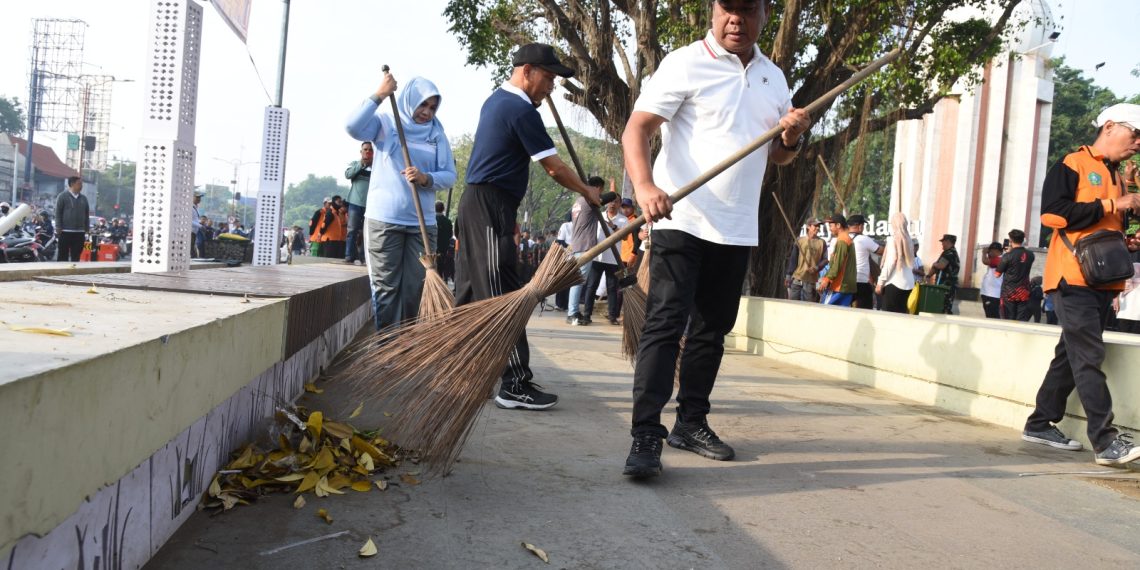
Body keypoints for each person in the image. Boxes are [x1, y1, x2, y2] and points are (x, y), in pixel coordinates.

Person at [620, 0, 810, 478]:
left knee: (712, 330)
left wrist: (790, 138)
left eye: (747, 10)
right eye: (728, 9)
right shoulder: (685, 62)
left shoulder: (774, 79)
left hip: (737, 226)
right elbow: (637, 129)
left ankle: (691, 422)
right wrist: (645, 187)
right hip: (680, 218)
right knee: (665, 324)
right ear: (712, 10)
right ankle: (646, 434)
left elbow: (779, 158)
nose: (736, 21)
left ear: (765, 13)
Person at [453, 43, 600, 411]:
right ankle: (514, 383)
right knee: (503, 295)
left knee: (472, 292)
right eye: (548, 78)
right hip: (489, 206)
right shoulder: (518, 110)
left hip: (482, 204)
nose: (550, 87)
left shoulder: (496, 101)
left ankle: (457, 368)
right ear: (528, 71)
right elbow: (553, 167)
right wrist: (587, 191)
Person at [1021, 103, 1140, 466]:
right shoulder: (1073, 163)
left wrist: (1125, 236)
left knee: (1071, 355)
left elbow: (1102, 225)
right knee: (1088, 354)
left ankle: (1040, 422)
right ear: (1109, 127)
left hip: (1102, 279)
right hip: (1071, 277)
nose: (1137, 142)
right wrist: (1111, 203)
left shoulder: (1119, 175)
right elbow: (1052, 214)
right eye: (1134, 134)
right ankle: (1105, 441)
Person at [346, 72, 456, 330]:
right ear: (409, 101)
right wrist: (380, 95)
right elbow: (352, 127)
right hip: (384, 222)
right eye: (423, 105)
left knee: (413, 290)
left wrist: (425, 178)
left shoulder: (437, 134)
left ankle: (405, 347)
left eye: (432, 107)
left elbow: (449, 175)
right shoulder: (386, 123)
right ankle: (386, 347)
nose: (427, 112)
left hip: (421, 224)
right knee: (386, 289)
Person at [567, 176, 608, 326]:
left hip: (577, 244)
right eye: (601, 190)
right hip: (584, 246)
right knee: (578, 281)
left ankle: (573, 310)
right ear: (597, 188)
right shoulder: (589, 199)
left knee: (577, 280)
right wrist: (614, 193)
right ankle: (572, 312)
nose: (601, 193)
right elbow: (609, 198)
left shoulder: (578, 201)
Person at [874, 212, 916, 313]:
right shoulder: (909, 240)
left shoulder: (893, 239)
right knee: (901, 315)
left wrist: (880, 282)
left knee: (887, 316)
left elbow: (891, 262)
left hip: (894, 282)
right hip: (908, 283)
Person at [995, 228, 1035, 321]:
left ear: (1010, 240)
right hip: (1024, 291)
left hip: (1009, 293)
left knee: (1008, 319)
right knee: (1021, 320)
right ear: (1023, 239)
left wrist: (1007, 255)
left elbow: (997, 274)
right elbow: (1021, 261)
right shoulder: (1031, 255)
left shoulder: (1007, 256)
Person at [344, 141, 373, 265]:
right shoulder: (354, 164)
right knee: (352, 231)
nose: (367, 151)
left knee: (368, 233)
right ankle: (349, 255)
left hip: (371, 205)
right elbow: (348, 174)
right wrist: (362, 163)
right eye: (365, 149)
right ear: (361, 152)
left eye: (370, 149)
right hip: (355, 203)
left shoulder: (378, 167)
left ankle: (364, 257)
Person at [785, 218, 827, 302]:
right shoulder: (799, 240)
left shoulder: (822, 243)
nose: (817, 228)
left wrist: (816, 268)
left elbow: (825, 260)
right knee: (792, 304)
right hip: (797, 278)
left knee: (808, 305)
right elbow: (793, 260)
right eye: (815, 226)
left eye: (818, 226)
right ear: (808, 226)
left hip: (811, 280)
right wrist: (788, 276)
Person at [847, 214, 884, 309]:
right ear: (860, 226)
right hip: (861, 281)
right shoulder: (864, 239)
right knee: (865, 310)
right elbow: (881, 251)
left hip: (846, 281)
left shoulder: (842, 239)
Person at [819, 214, 856, 306]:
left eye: (831, 226)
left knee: (824, 311)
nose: (830, 228)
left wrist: (827, 279)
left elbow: (837, 264)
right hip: (848, 286)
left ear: (838, 225)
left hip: (838, 286)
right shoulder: (848, 239)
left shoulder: (842, 240)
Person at [55, 176, 90, 262]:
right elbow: (57, 212)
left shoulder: (84, 199)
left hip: (79, 232)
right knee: (63, 255)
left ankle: (73, 274)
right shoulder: (62, 196)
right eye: (79, 184)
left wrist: (87, 228)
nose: (81, 186)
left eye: (81, 184)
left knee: (76, 255)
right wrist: (58, 226)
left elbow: (86, 214)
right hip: (65, 231)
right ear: (72, 184)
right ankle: (61, 274)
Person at [926, 234, 960, 314]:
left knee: (942, 307)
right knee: (942, 307)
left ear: (948, 242)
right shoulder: (950, 253)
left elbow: (941, 266)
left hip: (945, 286)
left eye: (943, 242)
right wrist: (928, 275)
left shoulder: (949, 253)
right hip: (946, 286)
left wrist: (934, 264)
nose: (942, 244)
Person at [979, 242, 1004, 319]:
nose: (989, 253)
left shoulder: (999, 259)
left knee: (992, 316)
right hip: (990, 293)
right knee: (991, 315)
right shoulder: (998, 258)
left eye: (990, 251)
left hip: (992, 294)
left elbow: (985, 261)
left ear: (996, 251)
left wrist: (983, 253)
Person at [435, 201, 454, 283]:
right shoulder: (448, 221)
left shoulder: (431, 220)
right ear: (443, 209)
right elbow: (450, 235)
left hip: (433, 247)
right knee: (441, 266)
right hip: (444, 248)